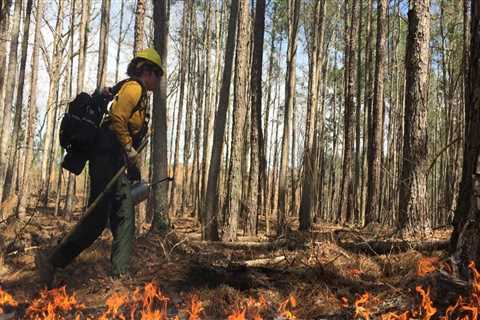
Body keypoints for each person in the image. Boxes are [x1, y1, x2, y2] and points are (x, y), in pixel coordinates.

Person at [36, 48, 164, 287]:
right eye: (158, 76)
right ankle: (53, 260)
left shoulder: (139, 93)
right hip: (105, 156)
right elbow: (117, 117)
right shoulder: (134, 88)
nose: (158, 82)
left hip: (115, 160)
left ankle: (119, 275)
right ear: (148, 72)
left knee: (124, 214)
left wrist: (131, 162)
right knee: (96, 220)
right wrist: (128, 148)